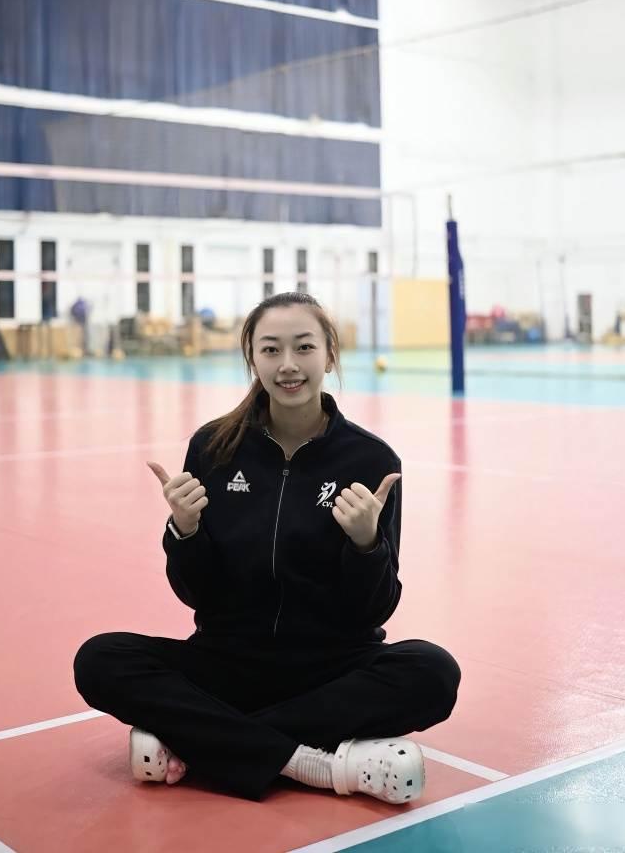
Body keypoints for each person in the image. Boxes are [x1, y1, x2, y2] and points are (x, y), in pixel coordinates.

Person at [74, 291, 460, 803]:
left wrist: (367, 544)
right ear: (252, 358)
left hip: (331, 668)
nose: (288, 364)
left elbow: (374, 610)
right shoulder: (214, 447)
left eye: (304, 347)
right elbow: (196, 594)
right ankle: (311, 764)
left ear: (330, 355)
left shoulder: (371, 460)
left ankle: (200, 740)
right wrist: (184, 532)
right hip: (227, 661)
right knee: (99, 659)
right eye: (271, 349)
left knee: (433, 672)